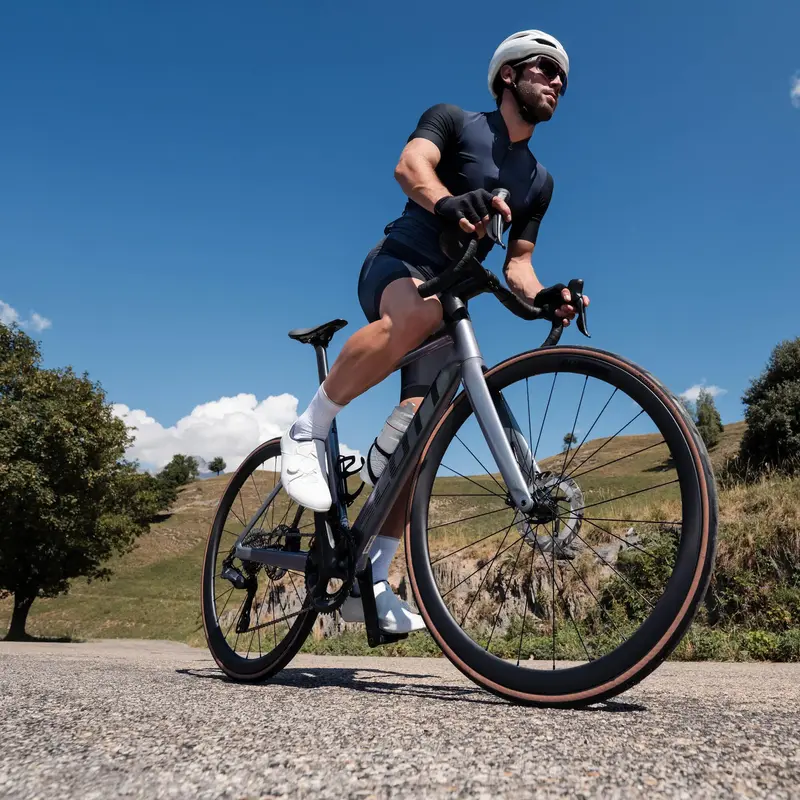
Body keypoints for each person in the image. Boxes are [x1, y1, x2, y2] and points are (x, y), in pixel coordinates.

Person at [280, 29, 589, 633]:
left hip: (451, 297)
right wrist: (447, 202)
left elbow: (519, 266)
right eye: (544, 68)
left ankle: (370, 577)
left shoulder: (539, 181)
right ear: (508, 75)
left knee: (419, 441)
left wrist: (545, 297)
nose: (556, 81)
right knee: (417, 314)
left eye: (563, 77)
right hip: (398, 265)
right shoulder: (454, 119)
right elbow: (410, 166)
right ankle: (306, 429)